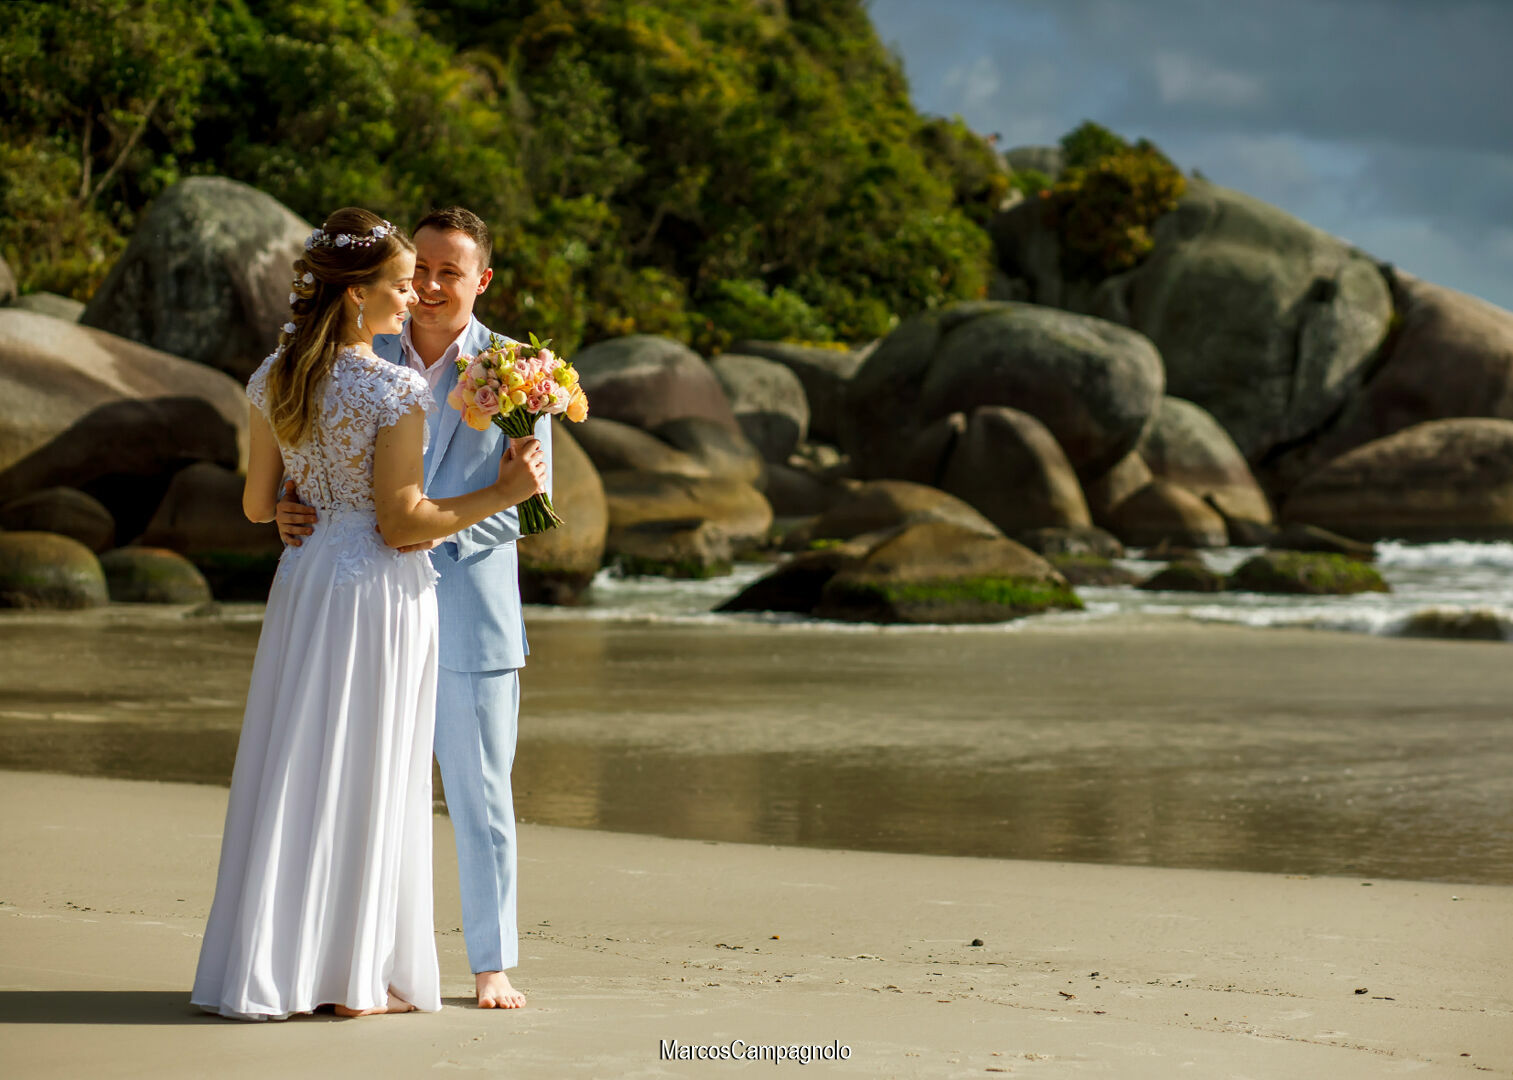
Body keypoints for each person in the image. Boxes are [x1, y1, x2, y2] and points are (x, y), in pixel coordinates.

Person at [192, 207, 547, 1021]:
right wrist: (293, 503)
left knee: (477, 794)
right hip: (377, 596)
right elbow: (339, 483)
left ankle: (490, 964)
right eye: (413, 269)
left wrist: (426, 530)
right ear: (378, 284)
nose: (423, 285)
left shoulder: (521, 370)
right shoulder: (368, 359)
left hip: (460, 605)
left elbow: (532, 506)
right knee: (351, 779)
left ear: (480, 281)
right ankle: (345, 965)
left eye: (445, 272)